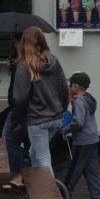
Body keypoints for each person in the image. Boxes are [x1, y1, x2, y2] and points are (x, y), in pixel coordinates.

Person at [10, 26, 68, 171]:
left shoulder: (24, 65)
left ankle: (49, 193)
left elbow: (20, 98)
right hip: (56, 117)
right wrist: (62, 109)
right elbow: (64, 88)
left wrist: (16, 120)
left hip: (37, 119)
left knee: (42, 157)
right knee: (35, 154)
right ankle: (38, 190)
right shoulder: (54, 60)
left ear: (24, 42)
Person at [61, 71, 100, 199]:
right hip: (93, 138)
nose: (69, 87)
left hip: (82, 141)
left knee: (73, 169)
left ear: (76, 85)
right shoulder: (88, 99)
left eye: (71, 85)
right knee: (91, 170)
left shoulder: (78, 101)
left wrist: (66, 129)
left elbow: (79, 122)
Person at [0, 33, 30, 191]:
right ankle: (27, 173)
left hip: (20, 109)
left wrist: (16, 118)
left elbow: (20, 94)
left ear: (20, 42)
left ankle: (19, 176)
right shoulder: (26, 61)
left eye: (14, 42)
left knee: (9, 140)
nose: (13, 45)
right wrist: (13, 66)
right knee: (26, 142)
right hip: (28, 110)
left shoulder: (23, 64)